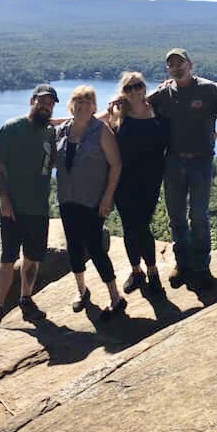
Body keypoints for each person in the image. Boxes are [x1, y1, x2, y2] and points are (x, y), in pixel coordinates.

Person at [0, 83, 58, 337]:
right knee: (7, 258)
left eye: (50, 103)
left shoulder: (49, 132)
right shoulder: (12, 128)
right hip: (13, 208)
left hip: (38, 207)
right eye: (42, 101)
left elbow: (75, 120)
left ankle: (26, 299)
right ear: (32, 101)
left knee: (33, 258)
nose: (45, 106)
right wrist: (4, 199)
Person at [147, 49, 217, 291]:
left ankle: (202, 267)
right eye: (171, 65)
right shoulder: (163, 93)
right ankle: (182, 263)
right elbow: (138, 102)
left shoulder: (209, 90)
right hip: (174, 162)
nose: (177, 68)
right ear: (167, 70)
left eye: (180, 63)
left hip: (201, 161)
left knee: (199, 216)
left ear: (190, 63)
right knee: (176, 216)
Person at [54, 85, 126, 320]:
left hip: (93, 200)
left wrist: (108, 197)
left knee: (95, 247)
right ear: (71, 106)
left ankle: (115, 296)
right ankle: (81, 290)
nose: (83, 105)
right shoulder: (62, 131)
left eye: (88, 101)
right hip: (68, 198)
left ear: (94, 106)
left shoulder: (101, 130)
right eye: (79, 101)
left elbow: (116, 165)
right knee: (73, 245)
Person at [106, 72, 169, 295]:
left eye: (138, 85)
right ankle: (137, 271)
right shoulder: (116, 113)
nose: (134, 90)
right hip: (123, 181)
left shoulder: (157, 108)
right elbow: (86, 122)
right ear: (124, 92)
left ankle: (151, 271)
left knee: (141, 226)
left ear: (144, 87)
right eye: (129, 88)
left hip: (150, 180)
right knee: (129, 228)